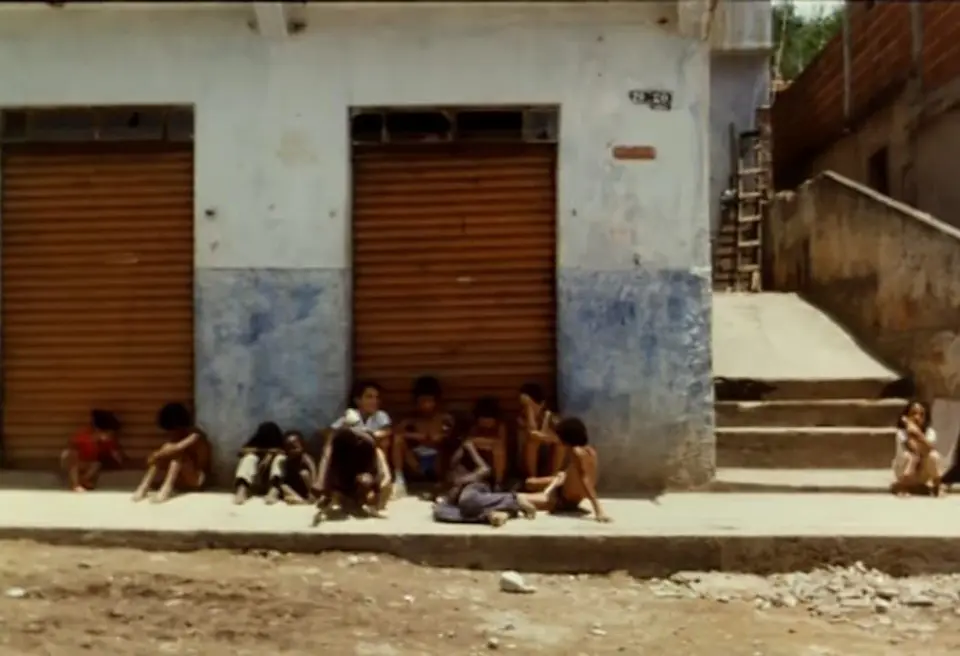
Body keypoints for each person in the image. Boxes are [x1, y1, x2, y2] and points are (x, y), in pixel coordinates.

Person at [433, 433, 537, 527]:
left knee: (467, 501)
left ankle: (513, 499)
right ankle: (491, 515)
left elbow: (484, 469)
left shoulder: (466, 446)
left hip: (473, 486)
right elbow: (446, 480)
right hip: (456, 494)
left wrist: (463, 481)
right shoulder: (442, 451)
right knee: (440, 511)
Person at [524, 417, 611, 522]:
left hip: (561, 500)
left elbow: (585, 480)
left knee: (518, 498)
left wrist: (598, 510)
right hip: (567, 492)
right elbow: (573, 473)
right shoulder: (590, 451)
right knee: (530, 483)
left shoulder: (576, 453)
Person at [312, 414, 391, 524]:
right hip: (345, 483)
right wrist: (326, 493)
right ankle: (344, 502)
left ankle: (365, 504)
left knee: (366, 480)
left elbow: (381, 475)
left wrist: (375, 492)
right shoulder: (338, 443)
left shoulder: (368, 444)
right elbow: (330, 470)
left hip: (365, 482)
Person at [132, 402, 212, 504]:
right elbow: (165, 451)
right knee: (164, 453)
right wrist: (157, 456)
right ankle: (143, 487)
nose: (171, 432)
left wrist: (157, 454)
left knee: (176, 455)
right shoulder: (178, 435)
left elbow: (176, 448)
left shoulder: (195, 435)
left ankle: (166, 490)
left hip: (198, 479)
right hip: (183, 478)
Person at [392, 376, 456, 496]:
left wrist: (440, 437)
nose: (426, 405)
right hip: (416, 462)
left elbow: (451, 436)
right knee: (398, 440)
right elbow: (396, 433)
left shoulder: (445, 419)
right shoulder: (410, 419)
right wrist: (415, 435)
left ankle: (445, 482)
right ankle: (399, 479)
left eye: (429, 401)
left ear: (436, 401)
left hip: (437, 463)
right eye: (422, 401)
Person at [60, 409, 123, 492]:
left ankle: (83, 481)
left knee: (96, 465)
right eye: (108, 434)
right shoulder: (83, 437)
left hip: (88, 463)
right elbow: (72, 449)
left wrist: (119, 460)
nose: (109, 436)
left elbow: (115, 454)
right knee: (73, 462)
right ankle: (75, 485)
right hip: (76, 461)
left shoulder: (106, 443)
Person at [891, 400, 943, 497]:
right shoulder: (901, 433)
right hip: (906, 471)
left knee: (934, 456)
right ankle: (903, 487)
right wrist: (910, 429)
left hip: (922, 472)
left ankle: (937, 487)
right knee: (908, 456)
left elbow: (929, 448)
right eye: (913, 414)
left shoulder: (930, 433)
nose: (917, 417)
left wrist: (917, 433)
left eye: (921, 415)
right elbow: (912, 448)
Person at [517, 382, 564, 478]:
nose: (526, 408)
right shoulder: (521, 418)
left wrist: (542, 437)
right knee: (533, 442)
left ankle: (553, 478)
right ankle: (533, 478)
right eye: (525, 405)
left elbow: (559, 438)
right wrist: (529, 411)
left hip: (547, 460)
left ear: (542, 404)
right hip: (525, 462)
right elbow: (531, 432)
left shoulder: (550, 417)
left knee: (561, 444)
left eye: (532, 405)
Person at [232, 421, 285, 505]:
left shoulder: (281, 443)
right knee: (249, 458)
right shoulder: (256, 442)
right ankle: (242, 490)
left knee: (280, 458)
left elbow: (284, 452)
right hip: (256, 479)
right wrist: (263, 452)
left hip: (273, 481)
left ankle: (274, 491)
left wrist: (271, 455)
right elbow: (241, 451)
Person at [466, 396, 508, 490]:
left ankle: (498, 483)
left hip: (495, 463)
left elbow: (500, 442)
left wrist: (485, 443)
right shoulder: (474, 427)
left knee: (499, 449)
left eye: (489, 420)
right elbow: (469, 441)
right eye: (483, 420)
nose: (486, 423)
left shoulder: (500, 426)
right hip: (478, 462)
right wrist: (488, 443)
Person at [267, 430, 316, 505]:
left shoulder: (305, 458)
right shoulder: (287, 459)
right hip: (293, 488)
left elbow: (313, 471)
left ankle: (309, 498)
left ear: (302, 446)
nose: (292, 451)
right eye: (289, 448)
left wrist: (313, 491)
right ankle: (298, 499)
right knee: (283, 485)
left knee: (305, 474)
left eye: (295, 448)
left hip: (306, 488)